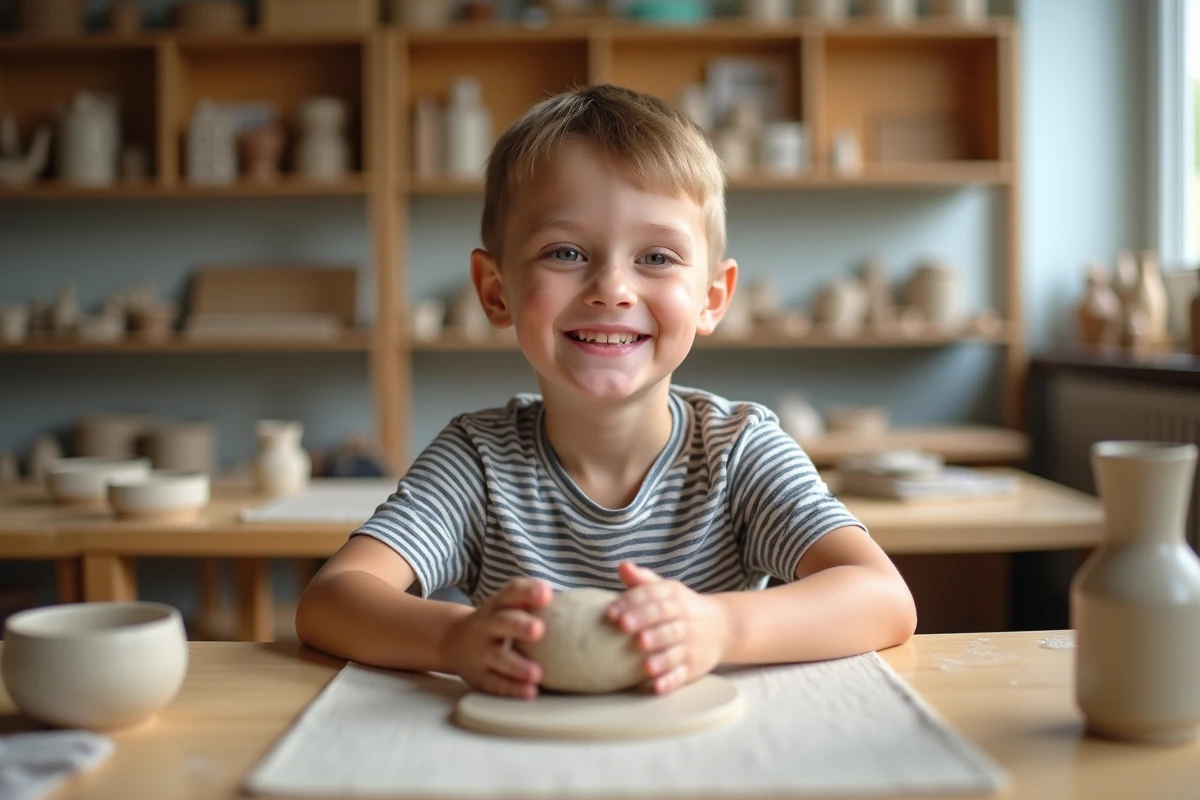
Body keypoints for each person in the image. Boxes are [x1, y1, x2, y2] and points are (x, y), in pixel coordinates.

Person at [295, 84, 916, 699]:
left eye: (657, 257)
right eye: (565, 252)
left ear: (712, 298)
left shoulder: (738, 450)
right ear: (495, 290)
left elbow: (884, 599)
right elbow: (331, 600)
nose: (612, 288)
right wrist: (452, 640)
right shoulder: (477, 460)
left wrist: (722, 629)